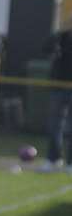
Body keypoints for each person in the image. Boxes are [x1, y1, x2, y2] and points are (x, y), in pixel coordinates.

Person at [38, 28, 72, 173]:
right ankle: (53, 159)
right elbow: (45, 48)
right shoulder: (62, 36)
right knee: (54, 125)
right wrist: (57, 36)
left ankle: (71, 163)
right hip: (58, 86)